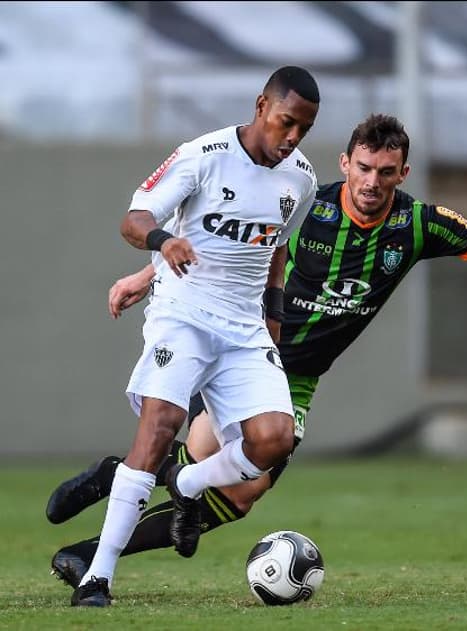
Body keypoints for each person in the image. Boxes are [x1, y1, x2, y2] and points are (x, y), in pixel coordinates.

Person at [47, 113, 467, 592]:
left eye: (385, 172)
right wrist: (146, 275)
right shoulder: (305, 206)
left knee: (240, 494)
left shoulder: (417, 225)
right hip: (243, 349)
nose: (372, 182)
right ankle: (101, 537)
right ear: (345, 164)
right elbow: (226, 247)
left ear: (403, 173)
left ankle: (99, 520)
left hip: (300, 378)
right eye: (363, 168)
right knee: (198, 465)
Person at [65, 66, 322, 607]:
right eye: (287, 121)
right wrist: (163, 241)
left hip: (244, 328)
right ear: (261, 106)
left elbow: (277, 248)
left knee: (274, 440)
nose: (293, 136)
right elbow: (134, 219)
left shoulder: (300, 178)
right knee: (160, 427)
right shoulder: (203, 155)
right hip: (182, 314)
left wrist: (274, 316)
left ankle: (186, 483)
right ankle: (97, 577)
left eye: (304, 128)